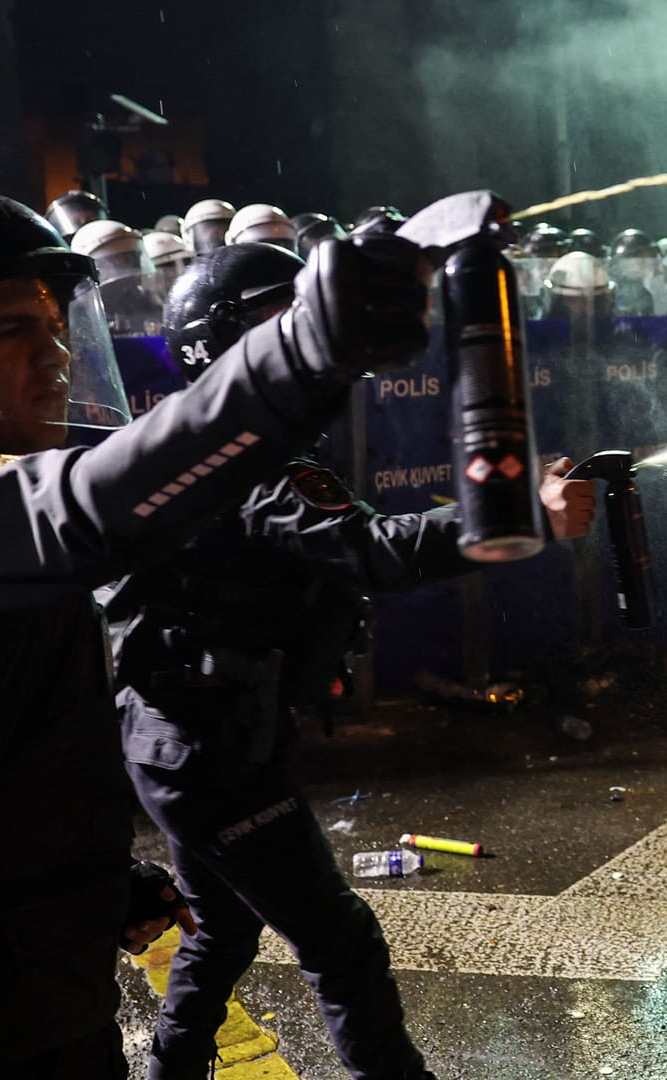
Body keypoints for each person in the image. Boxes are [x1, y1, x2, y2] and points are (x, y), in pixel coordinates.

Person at [0, 189, 430, 1079]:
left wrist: (86, 887)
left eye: (58, 329)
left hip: (33, 1017)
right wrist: (302, 351)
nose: (54, 360)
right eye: (10, 332)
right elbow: (96, 506)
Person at [110, 241, 595, 1080]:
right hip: (210, 754)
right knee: (341, 941)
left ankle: (171, 1070)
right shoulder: (244, 452)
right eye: (281, 321)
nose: (311, 336)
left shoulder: (218, 438)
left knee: (222, 924)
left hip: (194, 741)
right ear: (226, 344)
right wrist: (525, 516)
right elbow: (370, 551)